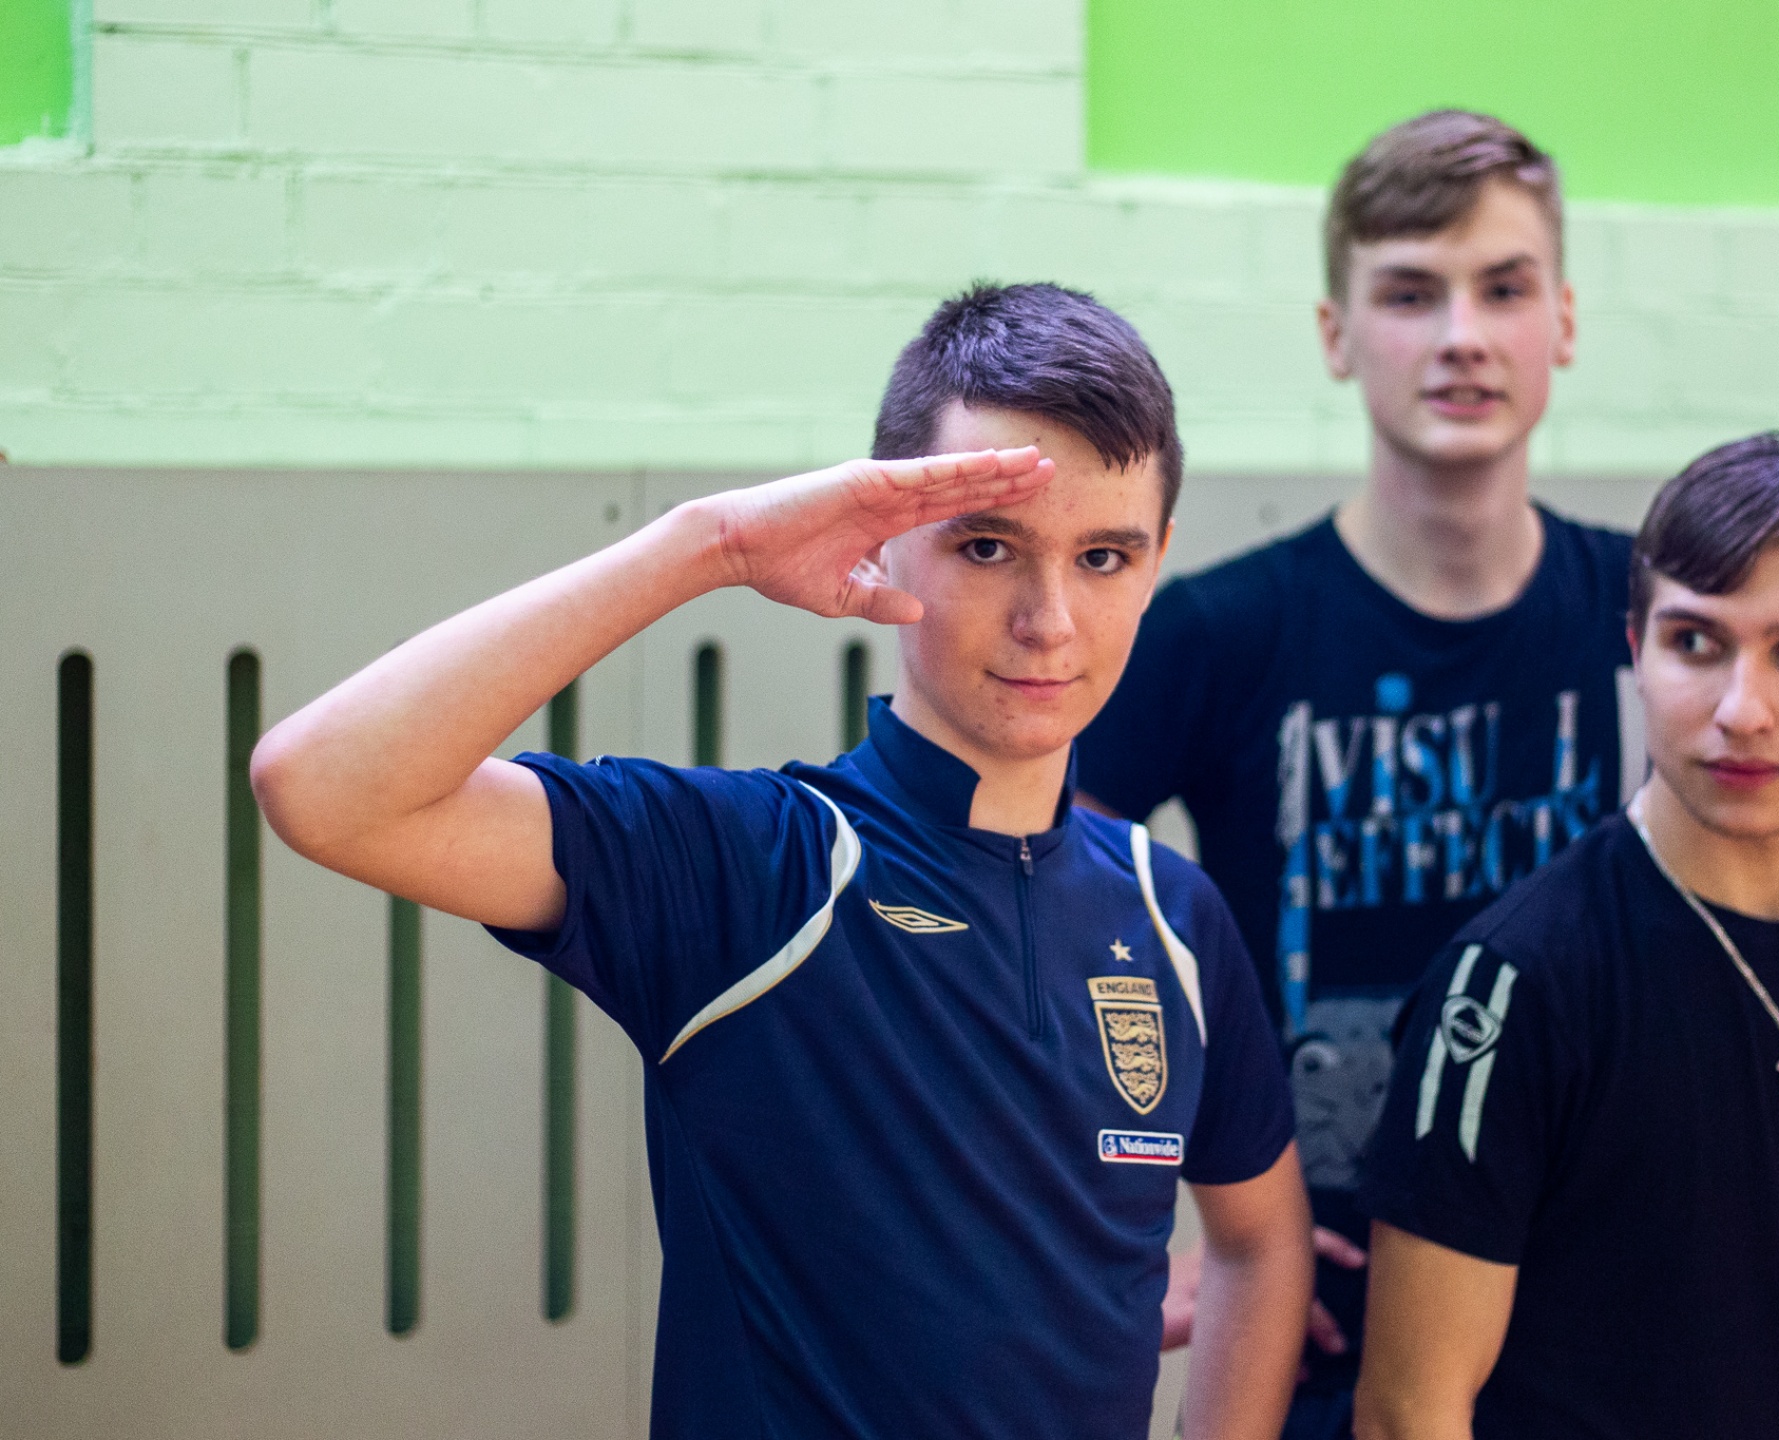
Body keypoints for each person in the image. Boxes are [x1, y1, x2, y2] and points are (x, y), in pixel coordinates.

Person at [251, 282, 1313, 1440]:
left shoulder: (1170, 914)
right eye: (987, 545)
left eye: (1103, 557)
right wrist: (709, 545)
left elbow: (1261, 1244)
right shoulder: (754, 868)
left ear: (1157, 562)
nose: (1048, 619)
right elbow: (322, 788)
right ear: (886, 540)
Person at [1077, 110, 1779, 1436]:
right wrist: (1173, 1213)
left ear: (1564, 320)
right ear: (1336, 333)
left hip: (1603, 1310)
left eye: (1502, 288)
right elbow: (1032, 921)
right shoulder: (1223, 631)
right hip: (1338, 1328)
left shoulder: (1661, 615)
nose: (1461, 337)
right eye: (1409, 294)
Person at [1356, 433, 1779, 1440]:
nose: (1740, 710)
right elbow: (1407, 1406)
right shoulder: (1511, 982)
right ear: (1636, 651)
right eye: (1695, 643)